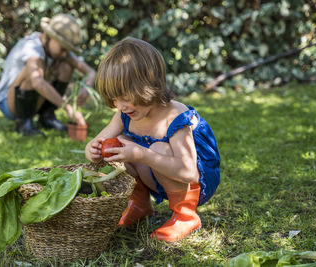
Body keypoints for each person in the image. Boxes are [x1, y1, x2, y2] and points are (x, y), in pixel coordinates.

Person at [85, 38, 220, 243]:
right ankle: (139, 204)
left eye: (125, 97)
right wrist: (93, 150)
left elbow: (189, 171)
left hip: (196, 183)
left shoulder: (174, 116)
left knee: (157, 147)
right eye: (114, 99)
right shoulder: (125, 114)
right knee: (118, 144)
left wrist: (141, 154)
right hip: (159, 175)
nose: (120, 106)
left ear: (149, 85)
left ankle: (185, 215)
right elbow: (97, 143)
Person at [0, 14, 96, 136]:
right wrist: (67, 107)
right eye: (63, 48)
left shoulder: (60, 52)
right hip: (9, 104)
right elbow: (37, 82)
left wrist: (86, 87)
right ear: (49, 37)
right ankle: (24, 123)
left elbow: (91, 72)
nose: (65, 54)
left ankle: (47, 116)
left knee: (66, 66)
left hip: (35, 100)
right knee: (33, 73)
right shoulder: (32, 47)